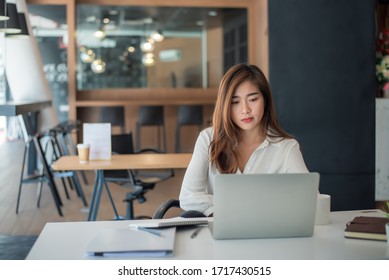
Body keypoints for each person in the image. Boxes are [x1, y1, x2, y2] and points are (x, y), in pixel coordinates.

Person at [179, 63, 309, 217]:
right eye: (235, 102)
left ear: (265, 100)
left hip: (267, 234)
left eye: (253, 99)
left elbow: (309, 200)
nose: (245, 110)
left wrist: (229, 205)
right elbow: (188, 197)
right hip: (217, 232)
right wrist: (247, 206)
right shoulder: (208, 139)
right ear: (225, 105)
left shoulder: (286, 148)